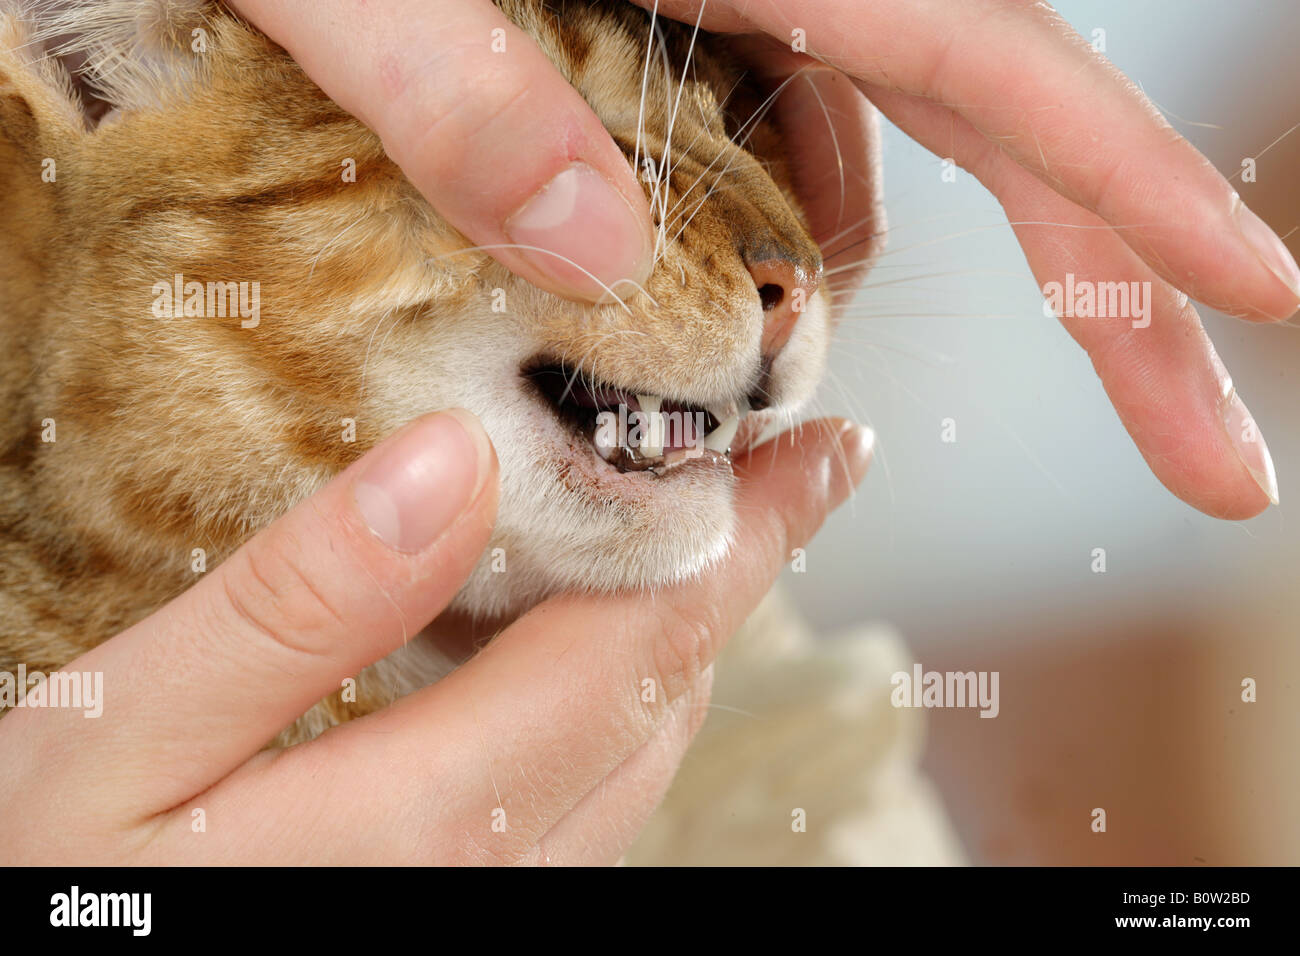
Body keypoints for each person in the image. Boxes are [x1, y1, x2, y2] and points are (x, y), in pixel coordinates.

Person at [2, 0, 1292, 864]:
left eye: (737, 143)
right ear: (90, 72)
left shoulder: (751, 718)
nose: (777, 268)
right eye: (605, 144)